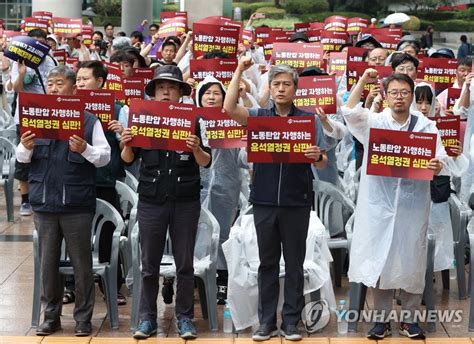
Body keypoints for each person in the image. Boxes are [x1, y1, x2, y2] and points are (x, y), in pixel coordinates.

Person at [342, 71, 454, 340]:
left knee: (411, 261)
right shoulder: (375, 122)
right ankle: (380, 321)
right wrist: (362, 81)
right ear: (387, 95)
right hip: (378, 206)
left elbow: (442, 159)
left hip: (412, 206)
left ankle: (409, 320)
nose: (400, 97)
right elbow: (348, 111)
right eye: (394, 92)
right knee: (381, 260)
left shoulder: (426, 126)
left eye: (405, 92)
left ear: (412, 96)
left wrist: (437, 164)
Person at [223, 57, 328, 342]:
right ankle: (266, 322)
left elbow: (322, 162)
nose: (281, 89)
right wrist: (239, 71)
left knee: (295, 263)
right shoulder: (259, 117)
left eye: (286, 85)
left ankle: (291, 322)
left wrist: (317, 156)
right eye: (276, 84)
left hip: (297, 200)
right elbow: (229, 108)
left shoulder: (308, 120)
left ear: (295, 90)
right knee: (267, 263)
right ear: (269, 88)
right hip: (265, 200)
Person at [16, 65, 111, 336]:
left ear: (73, 88)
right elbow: (22, 160)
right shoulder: (36, 118)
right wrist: (27, 146)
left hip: (76, 203)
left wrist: (86, 149)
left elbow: (104, 157)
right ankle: (51, 317)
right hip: (44, 201)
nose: (55, 88)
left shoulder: (89, 119)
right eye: (51, 83)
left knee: (82, 265)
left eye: (60, 83)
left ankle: (83, 319)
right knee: (47, 264)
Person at [121, 65, 212, 340]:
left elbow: (206, 161)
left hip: (185, 200)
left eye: (171, 88)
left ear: (180, 93)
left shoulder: (195, 120)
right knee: (148, 264)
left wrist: (196, 148)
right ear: (153, 92)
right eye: (161, 87)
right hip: (151, 199)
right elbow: (128, 159)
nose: (166, 92)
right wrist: (126, 143)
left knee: (185, 263)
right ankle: (147, 318)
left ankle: (185, 318)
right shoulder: (141, 117)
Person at [76, 60, 127, 305]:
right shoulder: (68, 109)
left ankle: (111, 286)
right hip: (75, 180)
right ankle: (71, 285)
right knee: (74, 236)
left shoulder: (118, 109)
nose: (80, 83)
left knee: (108, 233)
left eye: (85, 78)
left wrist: (121, 134)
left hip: (105, 180)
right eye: (77, 79)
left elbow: (128, 151)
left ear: (100, 82)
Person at [197, 75, 243, 304]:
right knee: (195, 233)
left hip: (226, 187)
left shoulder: (232, 122)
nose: (212, 97)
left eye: (217, 93)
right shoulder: (191, 120)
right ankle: (191, 280)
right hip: (196, 186)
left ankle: (222, 281)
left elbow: (243, 157)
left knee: (222, 234)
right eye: (207, 93)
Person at [11, 28, 57, 216]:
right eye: (33, 42)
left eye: (41, 41)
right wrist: (21, 73)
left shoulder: (52, 61)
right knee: (25, 157)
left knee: (48, 157)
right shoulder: (19, 61)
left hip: (49, 116)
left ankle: (44, 194)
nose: (38, 45)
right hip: (26, 117)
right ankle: (25, 200)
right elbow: (16, 88)